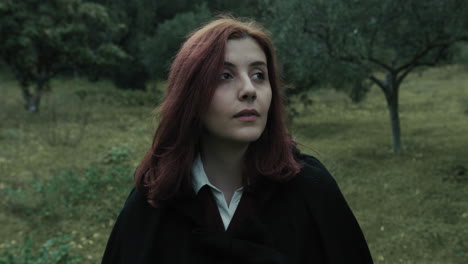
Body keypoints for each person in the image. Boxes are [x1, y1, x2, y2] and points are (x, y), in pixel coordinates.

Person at [102, 16, 373, 264]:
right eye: (225, 75)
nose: (248, 90)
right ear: (190, 95)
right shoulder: (153, 200)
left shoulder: (311, 188)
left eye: (258, 75)